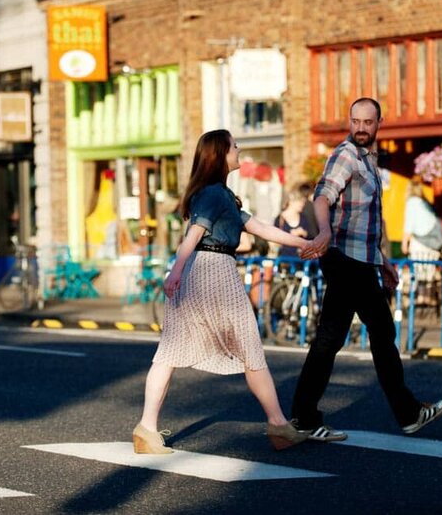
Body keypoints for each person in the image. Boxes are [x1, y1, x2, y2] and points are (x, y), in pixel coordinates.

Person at [133, 129, 311, 454]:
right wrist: (174, 272)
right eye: (234, 146)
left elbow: (260, 228)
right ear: (220, 154)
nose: (239, 150)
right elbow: (194, 234)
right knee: (248, 345)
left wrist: (303, 243)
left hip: (206, 270)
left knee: (171, 351)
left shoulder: (220, 194)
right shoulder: (213, 194)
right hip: (213, 271)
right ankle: (278, 425)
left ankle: (146, 428)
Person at [292, 98, 442, 441]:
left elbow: (371, 223)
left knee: (336, 338)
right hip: (345, 259)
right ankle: (406, 413)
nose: (361, 128)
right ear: (349, 121)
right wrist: (323, 230)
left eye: (368, 122)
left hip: (361, 260)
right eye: (356, 121)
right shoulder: (346, 154)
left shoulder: (370, 160)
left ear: (379, 123)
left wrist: (385, 262)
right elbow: (322, 197)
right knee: (374, 333)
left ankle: (304, 417)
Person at [272, 186, 316, 259]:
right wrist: (290, 236)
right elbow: (274, 239)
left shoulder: (303, 217)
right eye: (300, 201)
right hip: (284, 260)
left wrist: (304, 233)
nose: (303, 204)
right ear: (291, 201)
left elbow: (312, 237)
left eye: (303, 202)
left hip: (301, 260)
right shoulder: (279, 219)